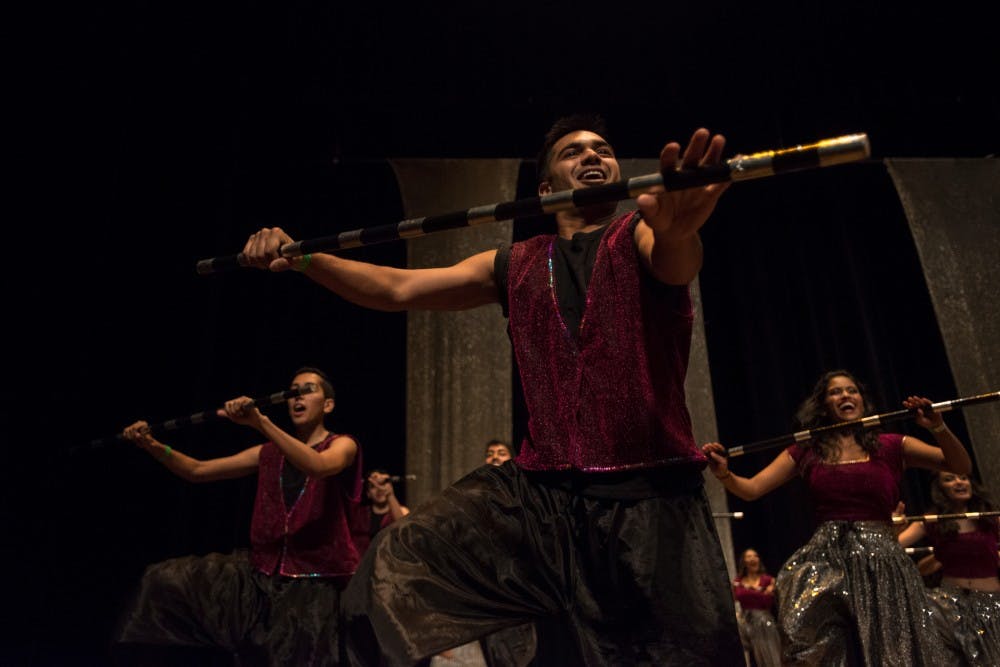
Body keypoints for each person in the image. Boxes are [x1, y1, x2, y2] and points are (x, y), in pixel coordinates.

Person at [241, 114, 743, 666]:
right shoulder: (515, 263)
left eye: (603, 149)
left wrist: (679, 230)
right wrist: (304, 258)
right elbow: (395, 287)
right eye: (574, 152)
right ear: (547, 190)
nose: (594, 156)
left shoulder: (643, 235)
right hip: (545, 503)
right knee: (397, 564)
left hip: (653, 499)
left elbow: (676, 257)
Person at [703, 369, 972, 665]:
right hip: (828, 558)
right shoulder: (807, 449)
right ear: (823, 405)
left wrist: (937, 426)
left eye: (851, 390)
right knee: (809, 633)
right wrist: (724, 473)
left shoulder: (893, 445)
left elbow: (959, 465)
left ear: (862, 400)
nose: (845, 395)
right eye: (835, 392)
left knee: (894, 652)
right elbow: (752, 489)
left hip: (882, 560)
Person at [113, 367, 363, 667]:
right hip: (263, 579)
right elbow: (197, 471)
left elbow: (319, 466)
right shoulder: (268, 453)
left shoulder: (343, 445)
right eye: (292, 391)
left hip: (318, 585)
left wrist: (261, 422)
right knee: (163, 578)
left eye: (307, 390)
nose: (296, 397)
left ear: (328, 405)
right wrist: (152, 445)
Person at [898, 471, 1000, 665]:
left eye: (963, 478)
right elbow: (894, 545)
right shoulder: (932, 519)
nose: (959, 482)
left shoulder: (989, 516)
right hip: (950, 607)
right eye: (949, 479)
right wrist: (892, 525)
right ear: (940, 488)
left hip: (992, 604)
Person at [732, 548, 781, 667]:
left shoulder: (768, 580)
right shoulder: (737, 582)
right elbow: (734, 599)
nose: (753, 558)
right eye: (749, 556)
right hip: (746, 624)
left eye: (756, 556)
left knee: (770, 658)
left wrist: (771, 591)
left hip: (764, 623)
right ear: (744, 561)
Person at [351, 469, 410, 557]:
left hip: (388, 564)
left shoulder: (402, 511)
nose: (379, 489)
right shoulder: (359, 514)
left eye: (382, 484)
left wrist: (389, 494)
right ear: (368, 493)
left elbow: (403, 530)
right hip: (362, 564)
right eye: (373, 486)